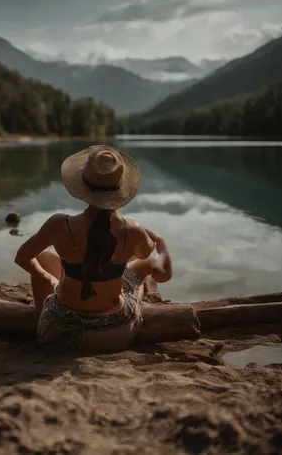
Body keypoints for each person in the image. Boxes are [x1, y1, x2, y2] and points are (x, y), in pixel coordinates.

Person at [14, 145, 172, 352]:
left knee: (41, 261)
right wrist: (160, 242)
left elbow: (22, 257)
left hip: (59, 331)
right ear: (120, 189)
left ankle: (48, 301)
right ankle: (120, 288)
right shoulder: (132, 229)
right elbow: (159, 271)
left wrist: (44, 276)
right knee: (141, 269)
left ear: (83, 186)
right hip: (116, 332)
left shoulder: (59, 224)